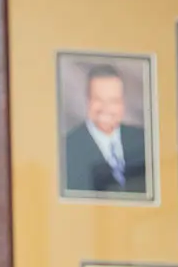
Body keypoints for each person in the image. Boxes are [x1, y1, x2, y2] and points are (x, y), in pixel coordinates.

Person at [64, 62, 149, 195]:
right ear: (88, 101)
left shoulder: (144, 141)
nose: (106, 108)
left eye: (113, 101)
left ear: (122, 104)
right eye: (98, 100)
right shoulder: (66, 148)